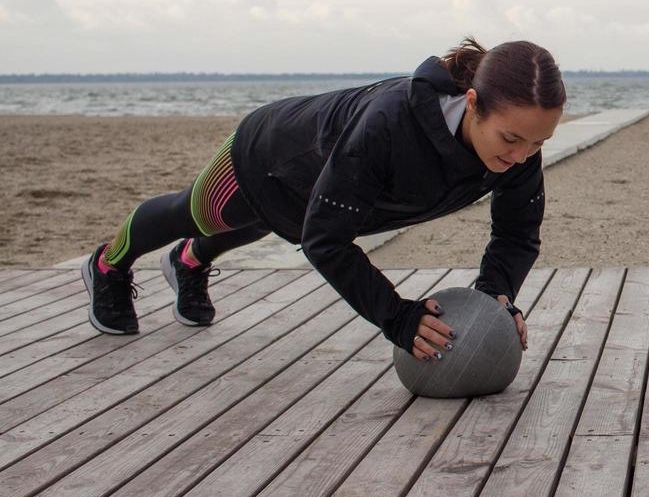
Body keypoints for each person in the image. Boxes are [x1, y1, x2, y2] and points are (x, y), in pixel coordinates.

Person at [82, 38, 565, 363]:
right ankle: (108, 264)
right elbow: (326, 240)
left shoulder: (516, 149)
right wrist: (397, 317)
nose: (522, 155)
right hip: (266, 157)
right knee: (203, 214)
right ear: (474, 104)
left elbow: (517, 232)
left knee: (259, 226)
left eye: (537, 143)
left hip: (320, 193)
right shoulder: (390, 124)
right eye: (511, 138)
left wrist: (494, 300)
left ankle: (188, 263)